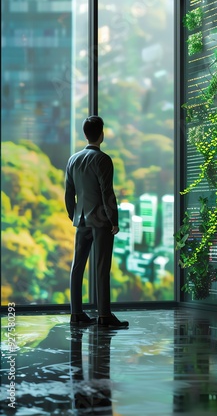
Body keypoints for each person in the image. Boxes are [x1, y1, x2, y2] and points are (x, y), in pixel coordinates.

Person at [65, 115, 129, 329]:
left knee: (77, 266)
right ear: (102, 134)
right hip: (100, 221)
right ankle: (104, 315)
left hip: (81, 219)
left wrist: (73, 214)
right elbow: (106, 192)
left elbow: (69, 193)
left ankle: (76, 313)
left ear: (85, 134)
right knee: (102, 267)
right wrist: (113, 219)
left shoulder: (73, 159)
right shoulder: (103, 159)